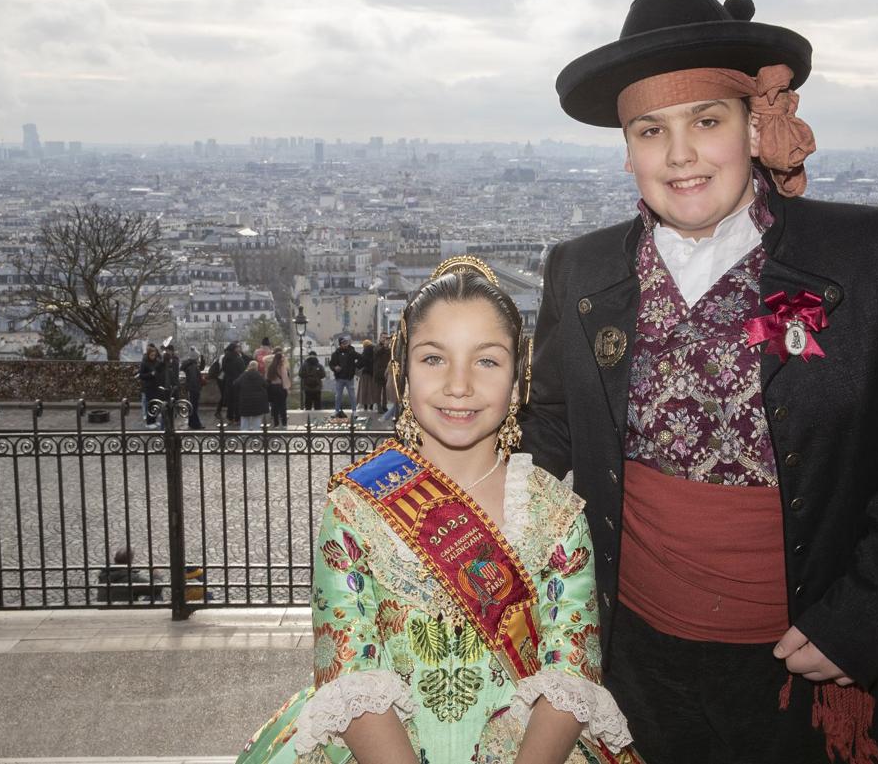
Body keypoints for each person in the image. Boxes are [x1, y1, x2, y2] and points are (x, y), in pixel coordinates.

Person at [522, 0, 878, 764]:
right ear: (626, 150)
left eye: (706, 119)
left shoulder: (864, 254)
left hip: (803, 660)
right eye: (651, 130)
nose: (682, 153)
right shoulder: (581, 271)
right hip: (632, 660)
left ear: (754, 124)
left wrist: (864, 615)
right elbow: (548, 430)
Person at [236, 257, 638, 764]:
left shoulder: (556, 513)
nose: (459, 385)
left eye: (487, 360)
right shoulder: (355, 506)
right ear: (402, 372)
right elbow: (351, 672)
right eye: (434, 359)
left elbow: (572, 676)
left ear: (521, 378)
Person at [235, 360, 270, 431]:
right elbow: (266, 385)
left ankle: (244, 434)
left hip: (245, 400)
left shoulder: (244, 375)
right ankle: (256, 434)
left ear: (249, 366)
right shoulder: (259, 376)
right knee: (257, 418)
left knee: (245, 418)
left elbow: (236, 384)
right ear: (257, 367)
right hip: (258, 401)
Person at [328, 336, 358, 418]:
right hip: (339, 378)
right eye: (344, 343)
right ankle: (336, 410)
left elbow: (360, 357)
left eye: (346, 343)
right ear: (340, 344)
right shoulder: (335, 354)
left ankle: (354, 411)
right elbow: (331, 364)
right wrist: (335, 368)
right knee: (338, 395)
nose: (345, 345)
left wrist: (355, 367)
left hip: (349, 377)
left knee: (352, 395)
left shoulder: (351, 352)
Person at [137, 343, 164, 428]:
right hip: (148, 387)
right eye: (152, 355)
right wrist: (150, 374)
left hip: (156, 386)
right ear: (148, 354)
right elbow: (141, 375)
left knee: (155, 404)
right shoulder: (144, 363)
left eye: (154, 355)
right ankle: (149, 422)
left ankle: (154, 420)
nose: (153, 356)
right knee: (150, 404)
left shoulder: (156, 361)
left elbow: (159, 370)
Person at [222, 341, 248, 425]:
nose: (239, 349)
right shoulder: (238, 358)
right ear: (234, 349)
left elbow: (224, 369)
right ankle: (237, 418)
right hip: (237, 381)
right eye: (237, 347)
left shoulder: (225, 358)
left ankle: (230, 417)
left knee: (230, 401)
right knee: (237, 400)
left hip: (228, 381)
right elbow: (242, 370)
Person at [182, 346, 206, 430]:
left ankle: (191, 423)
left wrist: (202, 359)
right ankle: (196, 424)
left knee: (192, 407)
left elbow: (201, 368)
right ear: (195, 358)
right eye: (198, 357)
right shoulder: (192, 367)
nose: (199, 359)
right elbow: (193, 380)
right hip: (193, 390)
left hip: (191, 389)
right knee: (194, 407)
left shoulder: (191, 365)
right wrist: (197, 388)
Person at [266, 348, 291, 428]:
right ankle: (284, 423)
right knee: (282, 406)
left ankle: (276, 423)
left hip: (272, 388)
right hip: (280, 388)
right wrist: (287, 389)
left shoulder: (271, 367)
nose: (284, 359)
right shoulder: (282, 367)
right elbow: (285, 379)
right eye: (282, 357)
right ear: (280, 359)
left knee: (274, 406)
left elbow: (267, 378)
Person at [356, 338, 378, 410]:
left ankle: (365, 406)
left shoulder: (365, 351)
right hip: (373, 373)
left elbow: (361, 362)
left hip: (365, 373)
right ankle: (371, 406)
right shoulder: (375, 350)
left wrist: (355, 365)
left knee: (364, 390)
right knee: (372, 390)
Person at [373, 333, 392, 413]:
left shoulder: (388, 348)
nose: (384, 339)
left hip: (386, 372)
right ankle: (379, 406)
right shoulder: (377, 347)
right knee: (378, 391)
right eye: (383, 337)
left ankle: (384, 406)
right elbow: (378, 353)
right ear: (380, 338)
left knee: (385, 391)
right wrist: (384, 346)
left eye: (386, 338)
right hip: (378, 372)